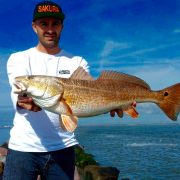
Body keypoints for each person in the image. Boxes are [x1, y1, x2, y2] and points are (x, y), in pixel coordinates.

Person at [4, 1, 134, 179]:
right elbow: (18, 94)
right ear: (34, 27)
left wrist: (117, 103)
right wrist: (23, 101)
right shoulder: (18, 58)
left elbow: (91, 95)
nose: (50, 29)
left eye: (55, 24)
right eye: (44, 24)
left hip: (63, 149)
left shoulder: (77, 61)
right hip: (23, 149)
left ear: (62, 27)